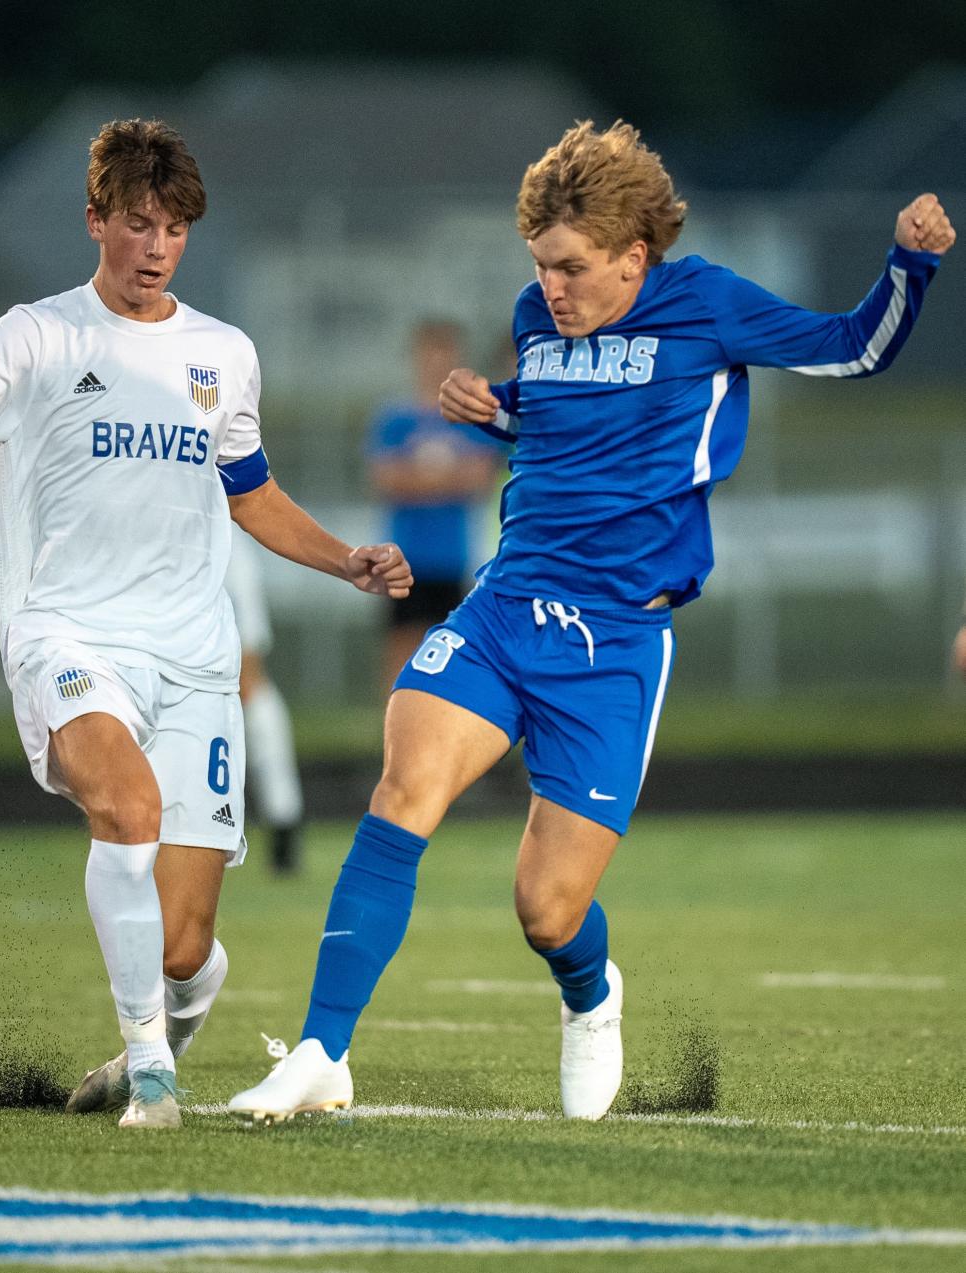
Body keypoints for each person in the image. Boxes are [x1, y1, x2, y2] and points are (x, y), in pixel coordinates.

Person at [227, 120, 955, 1125]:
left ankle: (591, 993)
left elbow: (851, 349)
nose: (551, 287)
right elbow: (558, 410)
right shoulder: (538, 317)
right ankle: (322, 1050)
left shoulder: (710, 306)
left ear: (634, 257)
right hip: (506, 601)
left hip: (615, 642)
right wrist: (498, 407)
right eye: (541, 267)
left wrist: (908, 264)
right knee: (405, 788)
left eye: (572, 268)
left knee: (547, 908)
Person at [0, 117, 412, 1132]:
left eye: (174, 229)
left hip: (195, 658)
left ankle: (171, 1015)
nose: (156, 246)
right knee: (124, 805)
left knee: (181, 947)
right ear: (95, 221)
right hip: (67, 635)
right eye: (137, 223)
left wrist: (346, 559)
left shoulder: (223, 354)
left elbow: (251, 493)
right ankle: (153, 1068)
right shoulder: (38, 335)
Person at [367, 320, 505, 690]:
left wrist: (420, 476)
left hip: (453, 557)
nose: (436, 361)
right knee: (401, 651)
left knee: (452, 655)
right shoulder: (396, 419)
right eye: (429, 352)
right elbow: (387, 480)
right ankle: (393, 737)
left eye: (444, 352)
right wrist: (446, 478)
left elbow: (479, 480)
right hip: (404, 556)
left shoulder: (473, 418)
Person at [226, 525, 305, 874]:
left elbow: (250, 648)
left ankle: (284, 829)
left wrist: (246, 670)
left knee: (263, 719)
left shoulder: (228, 541)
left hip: (217, 668)